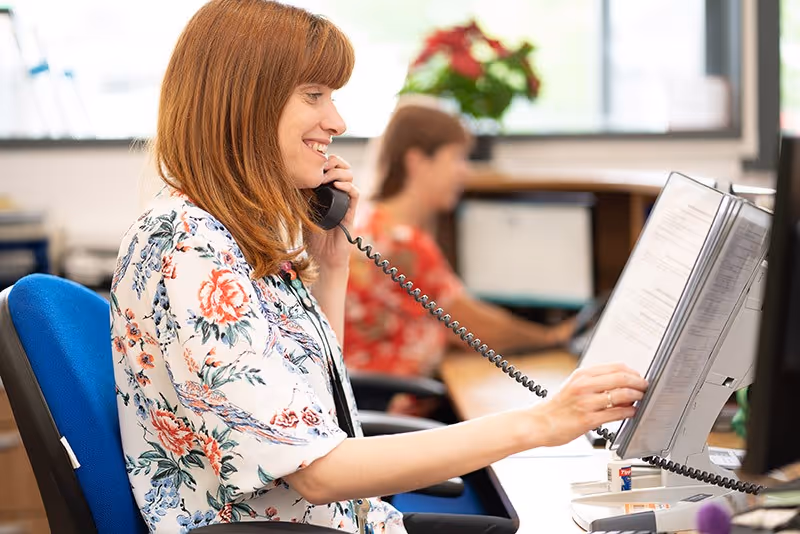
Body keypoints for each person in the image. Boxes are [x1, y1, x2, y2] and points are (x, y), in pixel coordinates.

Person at [110, 1, 648, 533]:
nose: (336, 121)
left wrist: (331, 263)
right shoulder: (190, 245)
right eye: (314, 95)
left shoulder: (238, 236)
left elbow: (310, 412)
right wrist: (542, 421)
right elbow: (318, 474)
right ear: (245, 103)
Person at [343, 104, 576, 416]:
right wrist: (552, 337)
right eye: (456, 158)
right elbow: (476, 327)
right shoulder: (401, 241)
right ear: (418, 161)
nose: (465, 171)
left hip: (367, 398)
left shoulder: (372, 223)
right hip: (394, 407)